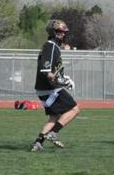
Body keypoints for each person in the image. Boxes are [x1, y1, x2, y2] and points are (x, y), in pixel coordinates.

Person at [30, 19, 80, 152]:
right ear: (52, 32)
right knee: (74, 109)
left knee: (55, 117)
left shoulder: (53, 47)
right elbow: (48, 73)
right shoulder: (51, 46)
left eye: (63, 32)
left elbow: (53, 72)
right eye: (58, 31)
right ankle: (54, 133)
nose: (62, 34)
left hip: (44, 89)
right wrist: (63, 82)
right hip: (49, 88)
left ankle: (38, 143)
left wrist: (64, 78)